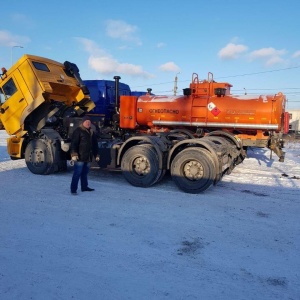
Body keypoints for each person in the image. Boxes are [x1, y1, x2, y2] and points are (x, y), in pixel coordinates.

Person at [70, 115, 100, 195]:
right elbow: (74, 143)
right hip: (80, 156)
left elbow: (94, 144)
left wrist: (96, 154)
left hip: (88, 157)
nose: (88, 123)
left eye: (89, 122)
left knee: (85, 173)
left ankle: (84, 187)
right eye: (86, 122)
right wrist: (74, 154)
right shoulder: (78, 131)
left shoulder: (91, 132)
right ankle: (73, 190)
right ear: (83, 122)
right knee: (77, 173)